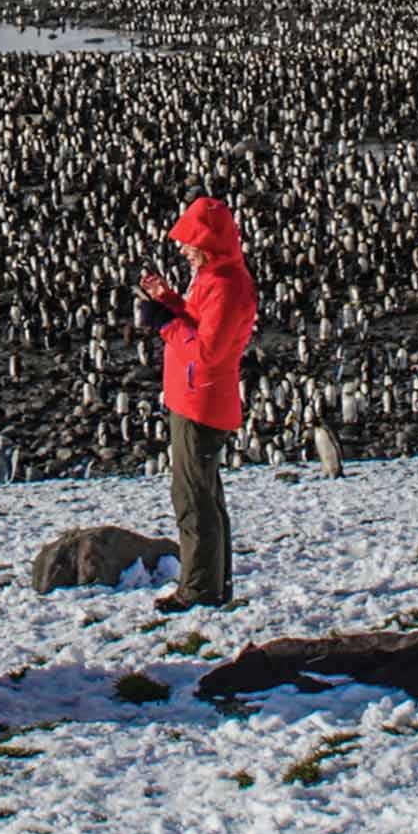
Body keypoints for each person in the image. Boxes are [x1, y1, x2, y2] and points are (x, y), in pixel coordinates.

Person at [139, 195, 257, 613]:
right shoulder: (215, 275)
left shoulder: (225, 285)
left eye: (189, 241)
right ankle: (213, 583)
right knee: (204, 494)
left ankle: (200, 590)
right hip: (194, 397)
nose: (183, 248)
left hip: (201, 403)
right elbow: (197, 320)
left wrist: (166, 324)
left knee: (193, 498)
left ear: (207, 243)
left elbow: (207, 352)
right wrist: (168, 301)